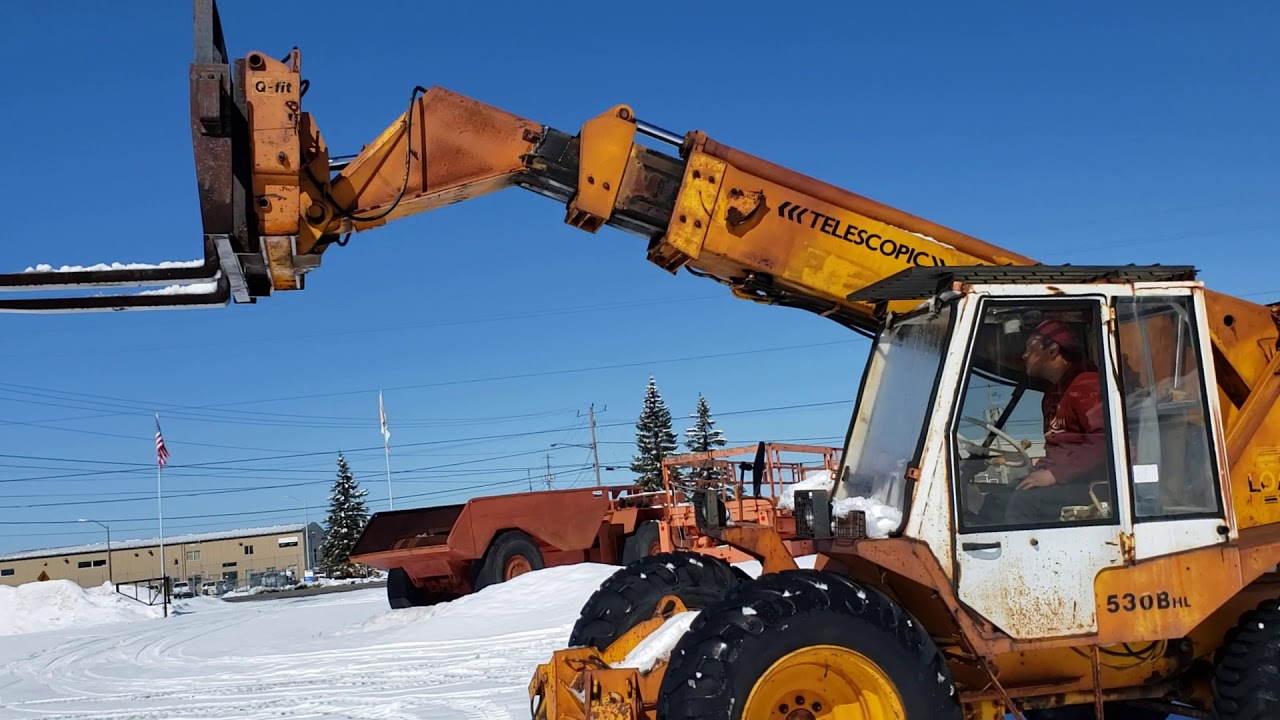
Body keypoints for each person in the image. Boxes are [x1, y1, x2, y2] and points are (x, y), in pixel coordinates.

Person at [1005, 319, 1109, 524]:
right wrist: (1043, 466)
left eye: (1031, 349)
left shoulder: (1087, 385)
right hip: (1070, 478)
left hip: (1092, 483)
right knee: (1001, 495)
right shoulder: (1052, 394)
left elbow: (1105, 441)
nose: (1025, 356)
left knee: (1023, 502)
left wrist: (1055, 473)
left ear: (1052, 350)